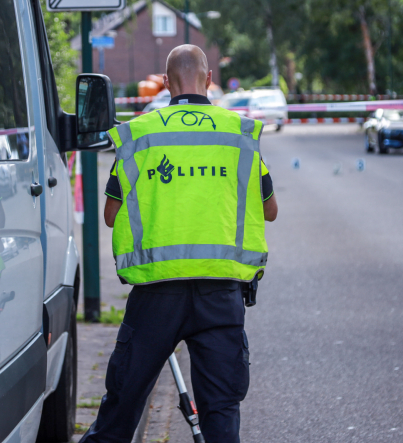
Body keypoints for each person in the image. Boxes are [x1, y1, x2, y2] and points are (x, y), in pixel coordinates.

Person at [79, 45, 277, 443]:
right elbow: (269, 210)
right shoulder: (239, 134)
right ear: (208, 80)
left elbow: (110, 215)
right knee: (221, 415)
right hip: (221, 295)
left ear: (166, 84)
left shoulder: (139, 135)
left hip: (155, 295)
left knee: (121, 411)